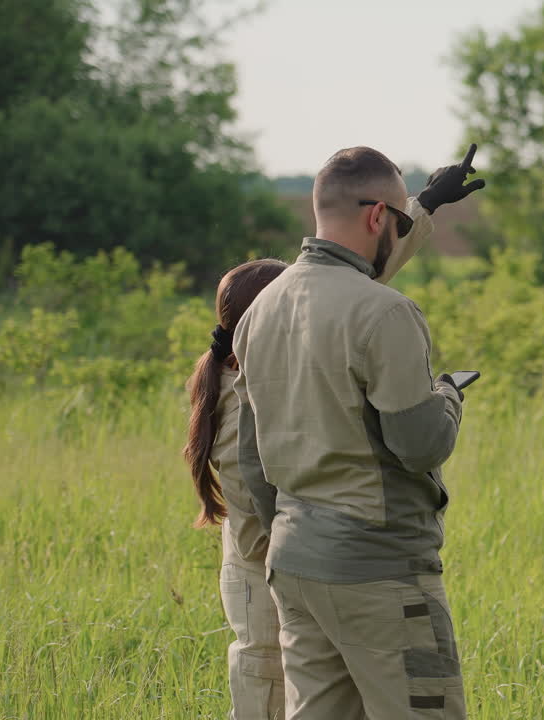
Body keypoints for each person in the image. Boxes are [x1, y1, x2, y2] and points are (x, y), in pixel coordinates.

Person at [183, 160, 451, 719]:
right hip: (379, 568)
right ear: (379, 216)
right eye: (399, 221)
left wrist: (290, 530)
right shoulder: (389, 312)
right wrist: (448, 396)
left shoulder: (261, 312)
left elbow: (253, 464)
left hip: (295, 566)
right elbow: (420, 445)